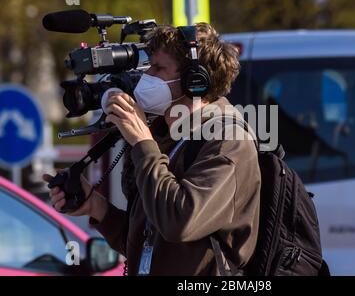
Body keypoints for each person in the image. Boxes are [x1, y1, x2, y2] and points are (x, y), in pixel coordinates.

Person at [43, 23, 261, 276]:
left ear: (194, 80)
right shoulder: (168, 136)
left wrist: (142, 143)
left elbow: (179, 222)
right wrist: (96, 207)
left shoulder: (227, 141)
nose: (147, 77)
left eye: (158, 69)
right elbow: (151, 242)